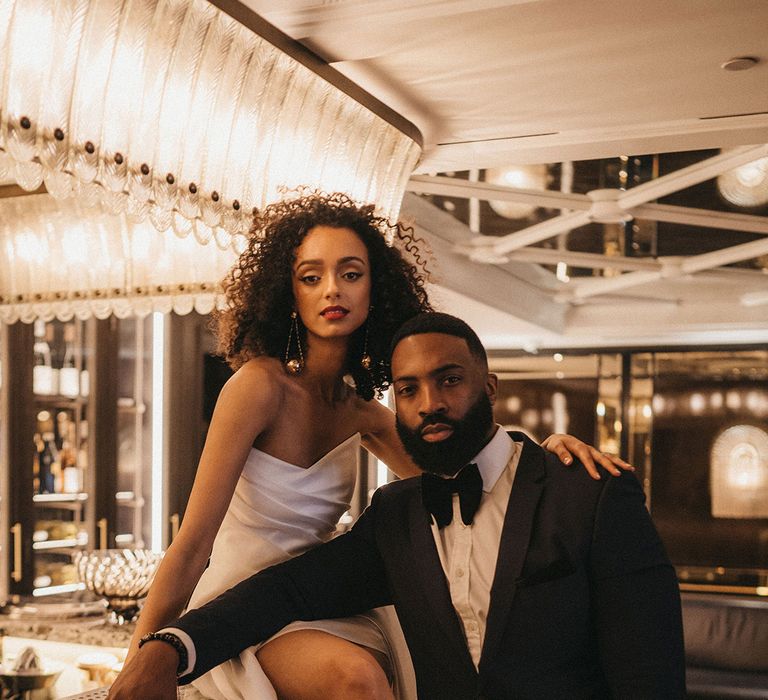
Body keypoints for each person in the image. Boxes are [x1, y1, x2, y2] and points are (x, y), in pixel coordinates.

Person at [124, 192, 629, 700]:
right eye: (310, 276)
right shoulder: (259, 386)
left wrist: (544, 454)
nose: (331, 291)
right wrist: (144, 656)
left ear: (374, 290)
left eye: (350, 273)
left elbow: (466, 475)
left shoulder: (364, 413)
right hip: (242, 605)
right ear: (288, 293)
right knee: (359, 677)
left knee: (428, 652)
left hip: (323, 599)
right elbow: (192, 546)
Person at [112, 311, 684, 700]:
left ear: (489, 388)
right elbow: (286, 591)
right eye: (407, 389)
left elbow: (650, 678)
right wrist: (168, 647)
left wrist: (545, 452)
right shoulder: (398, 516)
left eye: (450, 380)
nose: (429, 403)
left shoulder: (590, 493)